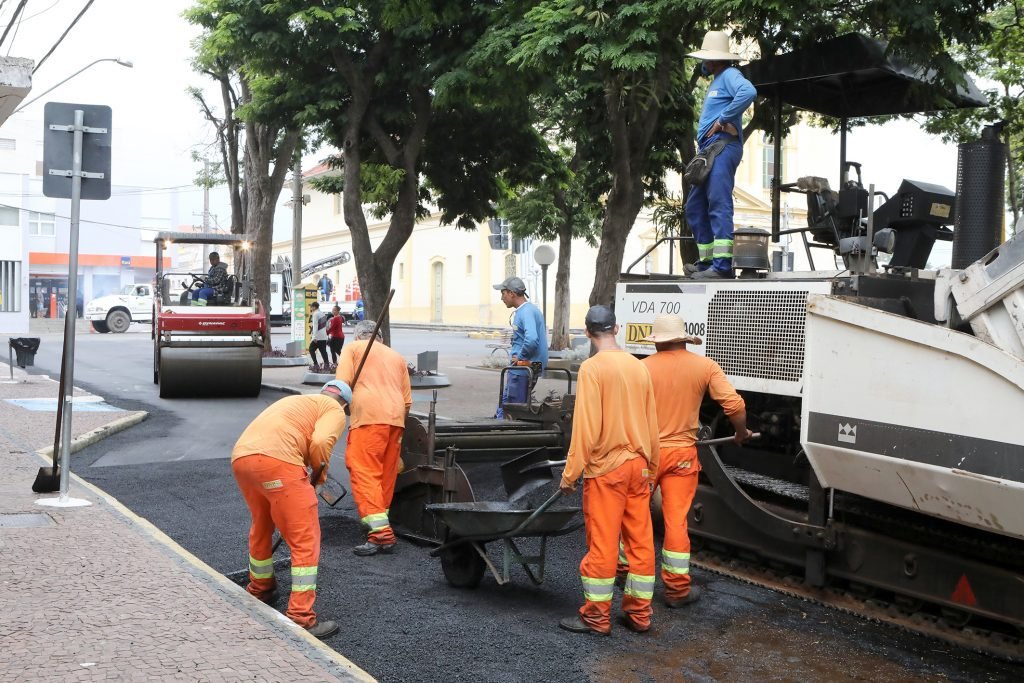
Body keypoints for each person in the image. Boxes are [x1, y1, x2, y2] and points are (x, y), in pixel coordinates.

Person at [618, 314, 751, 607]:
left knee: (635, 515)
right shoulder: (704, 366)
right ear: (683, 338)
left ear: (657, 341)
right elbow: (734, 405)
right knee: (676, 521)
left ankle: (625, 572)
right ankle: (677, 591)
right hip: (682, 457)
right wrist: (740, 432)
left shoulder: (641, 369)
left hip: (647, 454)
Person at [558, 305, 660, 636]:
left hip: (607, 469)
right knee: (640, 542)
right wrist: (652, 468)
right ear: (616, 328)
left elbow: (586, 428)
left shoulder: (592, 369)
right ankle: (640, 614)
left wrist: (570, 474)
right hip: (639, 466)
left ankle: (596, 617)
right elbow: (651, 423)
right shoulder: (638, 367)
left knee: (603, 544)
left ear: (588, 333)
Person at [230, 379, 352, 639]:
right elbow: (320, 441)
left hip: (242, 459)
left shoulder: (297, 401)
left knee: (262, 524)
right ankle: (300, 616)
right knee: (305, 538)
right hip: (278, 463)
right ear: (345, 404)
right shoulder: (334, 409)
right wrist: (318, 477)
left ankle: (261, 588)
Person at [684, 30, 757, 279]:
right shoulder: (718, 79)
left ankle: (722, 266)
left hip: (722, 146)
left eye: (706, 58)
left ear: (714, 59)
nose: (702, 62)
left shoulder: (730, 75)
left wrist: (723, 119)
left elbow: (748, 93)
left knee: (718, 203)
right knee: (695, 206)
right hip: (711, 148)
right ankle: (707, 262)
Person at [336, 320, 412, 556]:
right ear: (380, 338)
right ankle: (379, 526)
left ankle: (381, 534)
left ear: (358, 336)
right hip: (396, 419)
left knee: (364, 471)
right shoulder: (396, 356)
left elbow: (341, 386)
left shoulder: (353, 348)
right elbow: (407, 400)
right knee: (384, 475)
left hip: (369, 417)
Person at [492, 276, 549, 419]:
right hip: (529, 365)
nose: (501, 298)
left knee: (512, 408)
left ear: (512, 293)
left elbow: (531, 340)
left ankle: (502, 433)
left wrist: (520, 358)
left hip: (523, 367)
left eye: (503, 293)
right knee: (509, 403)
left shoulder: (526, 312)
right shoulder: (529, 310)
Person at [308, 302, 330, 372]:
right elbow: (326, 326)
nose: (311, 308)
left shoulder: (315, 314)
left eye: (311, 307)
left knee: (311, 349)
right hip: (323, 336)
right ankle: (327, 365)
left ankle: (316, 364)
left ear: (314, 307)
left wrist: (314, 337)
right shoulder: (322, 313)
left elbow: (315, 326)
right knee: (323, 351)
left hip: (318, 336)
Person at [327, 304, 346, 371]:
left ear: (338, 311)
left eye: (334, 310)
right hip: (340, 337)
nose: (333, 311)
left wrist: (326, 333)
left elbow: (332, 328)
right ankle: (343, 362)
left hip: (336, 337)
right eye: (332, 310)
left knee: (333, 350)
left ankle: (335, 363)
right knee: (337, 350)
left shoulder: (335, 318)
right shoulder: (340, 317)